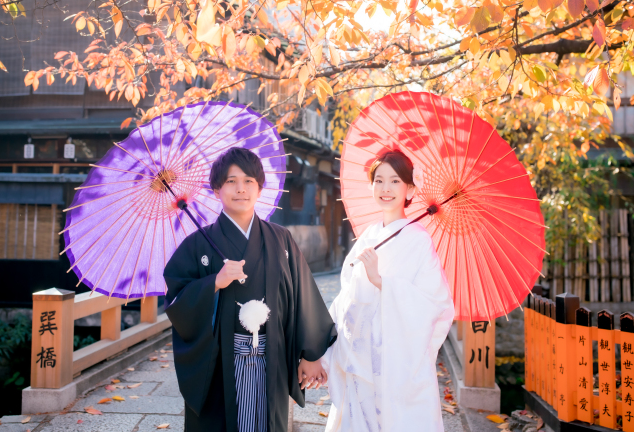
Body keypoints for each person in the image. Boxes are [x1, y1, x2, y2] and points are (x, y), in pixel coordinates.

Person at [164, 147, 337, 432]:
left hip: (273, 358)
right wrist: (214, 283)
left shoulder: (281, 239)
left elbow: (302, 295)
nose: (240, 189)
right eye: (231, 181)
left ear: (260, 188)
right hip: (220, 362)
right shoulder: (198, 245)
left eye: (248, 181)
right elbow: (177, 300)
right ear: (217, 189)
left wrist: (310, 354)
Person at [323, 149, 455, 432]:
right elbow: (347, 293)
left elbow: (437, 303)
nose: (385, 188)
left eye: (395, 181)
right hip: (359, 350)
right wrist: (320, 347)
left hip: (395, 359)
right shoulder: (370, 235)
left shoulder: (419, 241)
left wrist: (383, 282)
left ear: (409, 189)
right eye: (378, 180)